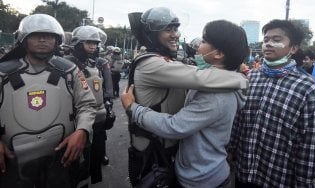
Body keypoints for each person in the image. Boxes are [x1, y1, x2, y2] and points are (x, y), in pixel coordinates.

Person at [127, 7, 248, 187]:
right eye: (168, 29)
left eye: (204, 40)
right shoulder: (152, 63)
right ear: (152, 34)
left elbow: (176, 126)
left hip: (199, 175)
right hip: (158, 155)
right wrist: (241, 79)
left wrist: (132, 108)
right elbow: (196, 75)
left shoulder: (217, 92)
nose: (176, 35)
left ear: (219, 53)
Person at [0, 14, 96, 188]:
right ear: (23, 38)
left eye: (49, 35)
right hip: (13, 162)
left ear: (57, 40)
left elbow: (87, 104)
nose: (43, 39)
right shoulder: (3, 74)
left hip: (62, 157)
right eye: (36, 35)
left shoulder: (69, 70)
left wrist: (82, 130)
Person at [229, 19, 315, 187]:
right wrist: (230, 150)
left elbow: (310, 142)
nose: (268, 44)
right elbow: (238, 119)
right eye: (266, 40)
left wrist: (303, 182)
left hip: (279, 177)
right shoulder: (251, 77)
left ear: (293, 48)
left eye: (277, 40)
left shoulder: (307, 87)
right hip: (244, 172)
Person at [64, 25, 115, 184]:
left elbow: (107, 83)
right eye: (89, 43)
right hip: (76, 113)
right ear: (79, 44)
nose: (93, 46)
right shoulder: (67, 63)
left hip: (98, 110)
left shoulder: (99, 62)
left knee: (98, 144)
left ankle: (91, 174)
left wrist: (108, 101)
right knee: (78, 152)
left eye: (95, 43)